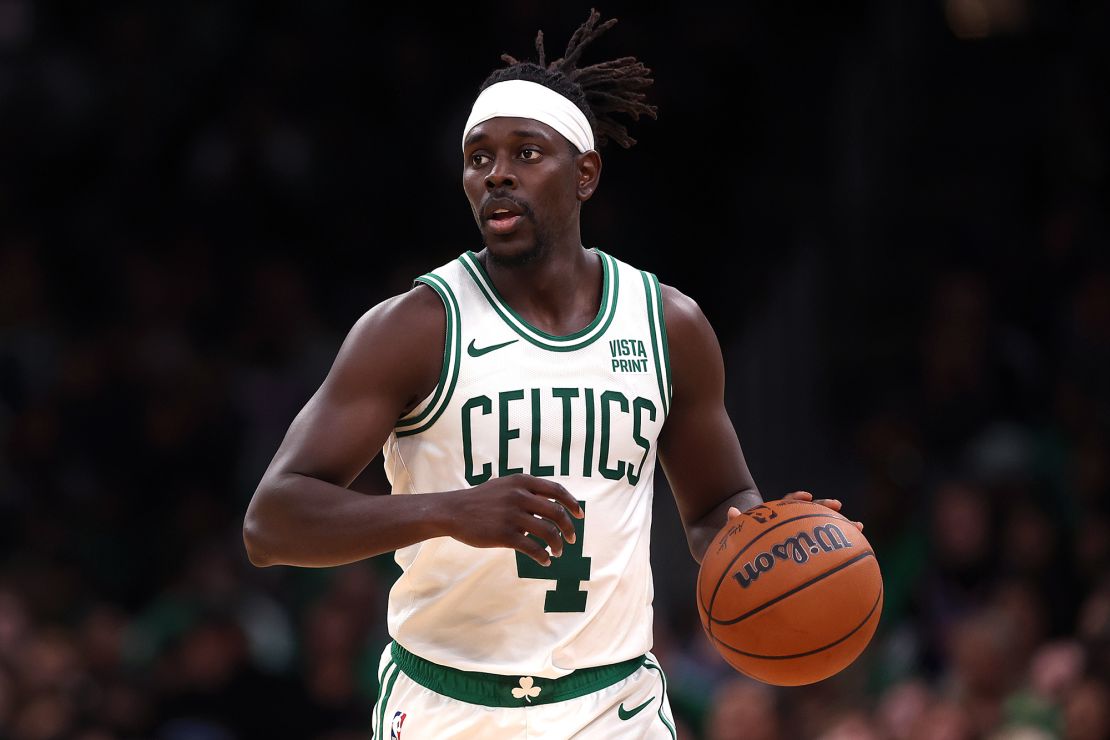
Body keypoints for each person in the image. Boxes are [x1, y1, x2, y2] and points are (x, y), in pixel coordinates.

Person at [243, 9, 857, 739]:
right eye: (479, 157)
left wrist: (765, 531)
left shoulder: (669, 326)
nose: (497, 172)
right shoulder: (414, 328)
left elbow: (713, 503)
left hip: (614, 706)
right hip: (449, 706)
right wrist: (446, 511)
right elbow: (270, 522)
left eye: (526, 152)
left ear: (585, 173)